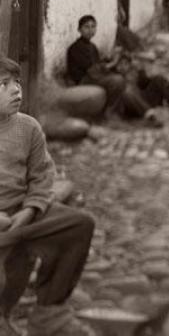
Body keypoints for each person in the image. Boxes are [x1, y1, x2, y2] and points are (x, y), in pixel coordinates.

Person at [0, 57, 97, 336]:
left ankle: (49, 313)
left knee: (80, 226)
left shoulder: (27, 127)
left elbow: (42, 175)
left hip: (24, 213)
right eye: (4, 85)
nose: (16, 90)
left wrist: (30, 210)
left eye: (17, 82)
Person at [66, 15, 129, 119]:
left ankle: (119, 111)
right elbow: (91, 70)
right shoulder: (76, 48)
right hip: (83, 79)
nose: (90, 30)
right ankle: (108, 112)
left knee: (122, 75)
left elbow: (97, 65)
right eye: (86, 27)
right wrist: (112, 63)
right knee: (117, 80)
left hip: (93, 76)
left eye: (93, 26)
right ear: (79, 29)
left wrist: (113, 60)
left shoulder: (92, 47)